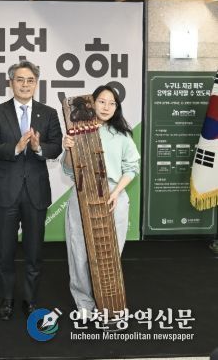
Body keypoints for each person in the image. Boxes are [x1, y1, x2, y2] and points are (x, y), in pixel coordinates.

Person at [0, 60, 63, 321]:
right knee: (5, 252)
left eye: (30, 80)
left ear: (36, 84)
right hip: (6, 191)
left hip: (36, 192)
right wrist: (16, 147)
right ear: (11, 83)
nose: (25, 84)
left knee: (34, 252)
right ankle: (7, 299)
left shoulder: (48, 113)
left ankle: (30, 299)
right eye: (20, 79)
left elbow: (56, 146)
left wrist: (39, 148)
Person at [62, 85, 140, 315]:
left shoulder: (122, 135)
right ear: (91, 103)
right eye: (102, 101)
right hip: (82, 193)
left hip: (114, 195)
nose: (106, 107)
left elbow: (132, 168)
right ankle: (84, 305)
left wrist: (116, 193)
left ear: (117, 108)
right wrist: (68, 148)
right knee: (79, 251)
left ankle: (107, 304)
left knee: (109, 255)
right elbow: (68, 171)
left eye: (112, 103)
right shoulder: (78, 131)